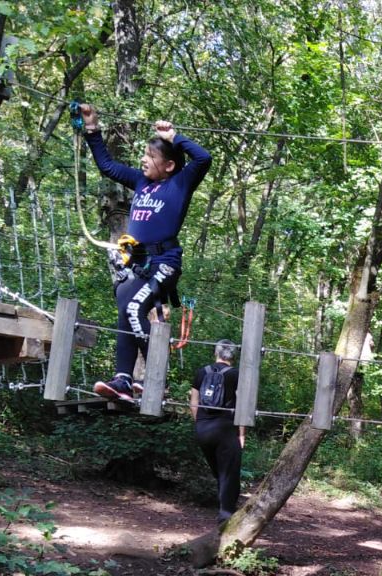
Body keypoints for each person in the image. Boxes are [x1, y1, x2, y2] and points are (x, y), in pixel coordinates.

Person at [79, 104, 212, 402]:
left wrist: (174, 137)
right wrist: (92, 128)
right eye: (144, 154)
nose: (143, 160)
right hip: (137, 264)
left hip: (164, 263)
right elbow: (107, 166)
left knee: (135, 309)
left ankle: (155, 381)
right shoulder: (141, 182)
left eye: (151, 156)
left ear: (169, 165)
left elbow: (204, 158)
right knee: (124, 313)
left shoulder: (180, 183)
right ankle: (123, 379)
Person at [190, 340, 243, 524]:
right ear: (233, 355)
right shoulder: (236, 375)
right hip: (225, 429)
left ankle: (225, 508)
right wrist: (241, 434)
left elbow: (194, 403)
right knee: (229, 472)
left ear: (216, 353)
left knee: (219, 471)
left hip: (203, 429)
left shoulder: (202, 372)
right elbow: (242, 407)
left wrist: (200, 423)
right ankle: (226, 515)